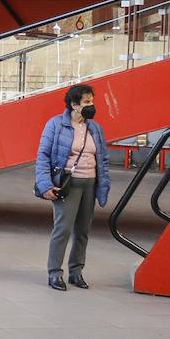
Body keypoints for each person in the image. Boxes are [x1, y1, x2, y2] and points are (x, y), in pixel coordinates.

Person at [35, 83, 111, 291]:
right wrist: (45, 185)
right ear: (74, 104)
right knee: (63, 229)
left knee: (83, 231)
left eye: (92, 101)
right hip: (68, 184)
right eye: (86, 102)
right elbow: (43, 156)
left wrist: (103, 185)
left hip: (90, 183)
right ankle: (55, 273)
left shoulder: (94, 128)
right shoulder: (56, 125)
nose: (91, 105)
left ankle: (76, 272)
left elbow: (102, 158)